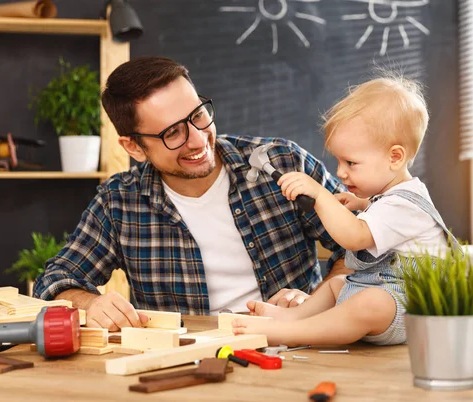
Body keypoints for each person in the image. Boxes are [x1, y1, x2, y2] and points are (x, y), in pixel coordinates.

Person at [33, 56, 346, 331]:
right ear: (134, 148)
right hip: (182, 366)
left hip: (297, 350)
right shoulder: (118, 202)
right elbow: (55, 280)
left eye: (198, 115)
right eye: (172, 133)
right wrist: (90, 304)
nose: (198, 140)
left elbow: (368, 245)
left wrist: (316, 302)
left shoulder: (281, 163)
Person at [232, 75, 462, 346]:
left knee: (370, 303)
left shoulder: (405, 204)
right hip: (387, 290)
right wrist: (363, 204)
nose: (340, 172)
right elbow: (384, 216)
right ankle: (291, 318)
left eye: (351, 163)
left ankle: (289, 334)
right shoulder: (393, 198)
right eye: (339, 161)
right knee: (336, 283)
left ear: (395, 157)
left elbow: (354, 237)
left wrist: (320, 195)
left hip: (411, 307)